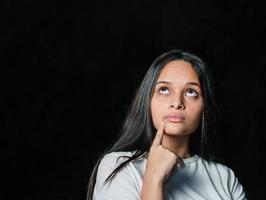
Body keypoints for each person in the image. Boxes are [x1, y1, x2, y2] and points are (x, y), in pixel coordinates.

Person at [87, 49, 247, 200]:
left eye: (191, 92)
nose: (177, 102)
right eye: (164, 89)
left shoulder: (225, 177)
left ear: (205, 107)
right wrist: (153, 179)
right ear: (147, 100)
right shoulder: (119, 166)